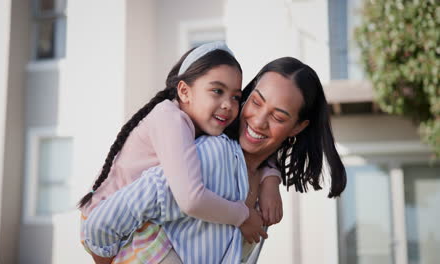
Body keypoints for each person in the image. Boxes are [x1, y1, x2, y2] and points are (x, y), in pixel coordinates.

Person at [85, 56, 347, 264]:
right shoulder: (208, 156)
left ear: (297, 128)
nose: (258, 121)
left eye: (278, 117)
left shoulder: (262, 193)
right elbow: (101, 224)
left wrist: (271, 177)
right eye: (255, 102)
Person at [78, 42, 282, 263]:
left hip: (141, 221)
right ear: (184, 91)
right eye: (217, 91)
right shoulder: (169, 118)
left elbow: (248, 147)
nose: (228, 105)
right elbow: (191, 199)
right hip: (110, 220)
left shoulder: (201, 121)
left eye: (235, 96)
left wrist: (271, 178)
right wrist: (243, 216)